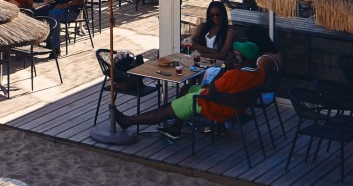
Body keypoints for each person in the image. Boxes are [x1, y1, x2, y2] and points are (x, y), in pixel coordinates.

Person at [111, 41, 277, 139]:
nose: (233, 54)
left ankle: (128, 121)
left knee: (166, 110)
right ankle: (177, 129)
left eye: (236, 53)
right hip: (235, 106)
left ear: (240, 57)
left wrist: (225, 66)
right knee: (188, 88)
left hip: (213, 105)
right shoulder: (259, 73)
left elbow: (211, 90)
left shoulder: (233, 75)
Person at [187, 0, 239, 65]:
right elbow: (190, 43)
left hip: (218, 65)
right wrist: (213, 51)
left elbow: (222, 55)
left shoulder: (229, 33)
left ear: (223, 14)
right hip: (201, 63)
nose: (215, 17)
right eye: (212, 15)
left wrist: (200, 54)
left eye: (218, 14)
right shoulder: (203, 26)